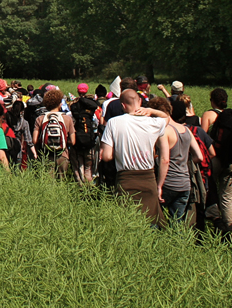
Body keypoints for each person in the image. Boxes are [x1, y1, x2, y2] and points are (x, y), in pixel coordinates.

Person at [100, 90, 171, 226]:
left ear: (123, 105)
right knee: (151, 222)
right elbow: (166, 117)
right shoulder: (153, 123)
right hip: (148, 179)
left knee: (127, 223)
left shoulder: (114, 123)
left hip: (125, 179)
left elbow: (106, 156)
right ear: (139, 102)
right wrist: (151, 111)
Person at [152, 96, 202, 226]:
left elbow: (165, 160)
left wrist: (159, 185)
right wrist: (184, 162)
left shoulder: (165, 131)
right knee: (177, 224)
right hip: (185, 183)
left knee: (157, 222)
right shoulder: (186, 130)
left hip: (168, 182)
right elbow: (199, 157)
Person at [202, 87, 232, 230]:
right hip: (231, 160)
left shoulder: (208, 114)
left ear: (212, 101)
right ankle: (231, 227)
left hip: (216, 158)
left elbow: (203, 137)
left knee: (208, 186)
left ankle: (213, 219)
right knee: (227, 195)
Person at [33, 88, 74, 178]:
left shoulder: (40, 118)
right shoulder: (67, 119)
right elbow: (73, 141)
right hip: (63, 155)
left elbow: (35, 140)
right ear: (60, 104)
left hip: (46, 155)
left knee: (48, 183)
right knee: (62, 182)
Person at [69, 83, 102, 184]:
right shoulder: (90, 107)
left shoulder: (73, 107)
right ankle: (89, 187)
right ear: (87, 91)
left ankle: (80, 185)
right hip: (89, 140)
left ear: (78, 91)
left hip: (77, 141)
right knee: (89, 167)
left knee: (79, 165)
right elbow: (96, 123)